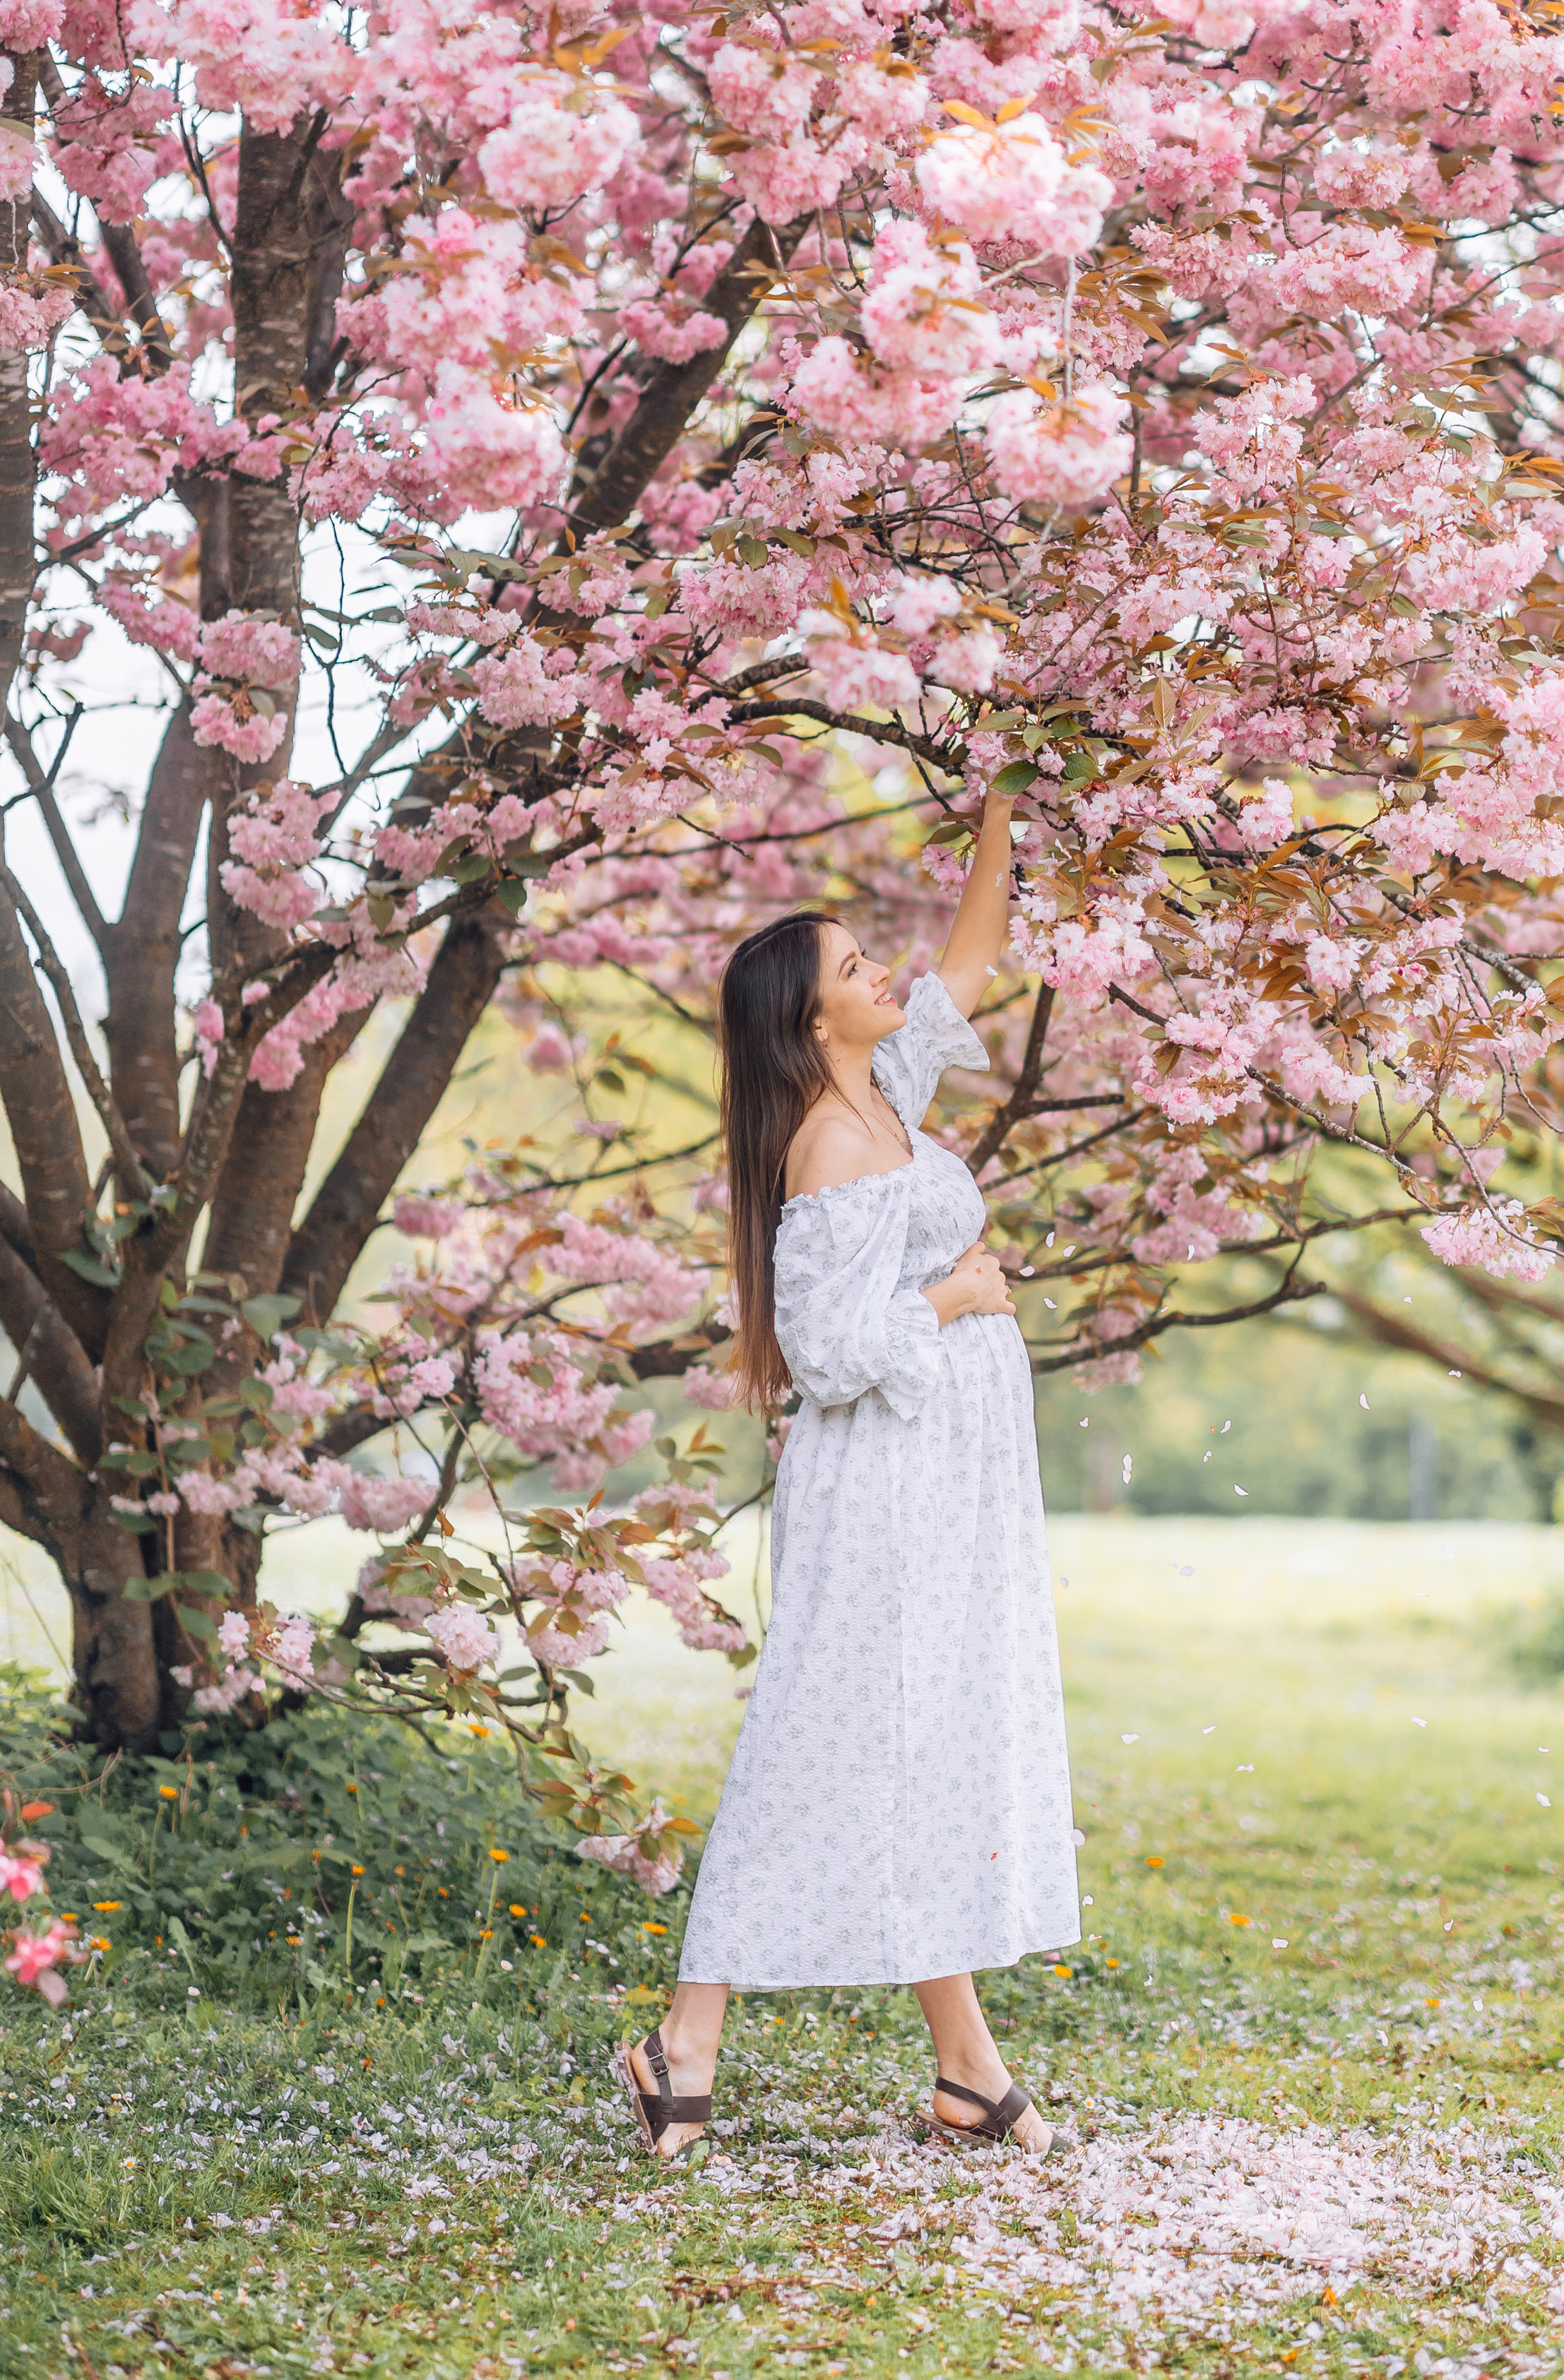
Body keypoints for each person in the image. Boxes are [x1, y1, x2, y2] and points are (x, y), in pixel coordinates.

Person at [617, 782, 1081, 2161]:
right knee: (824, 1739)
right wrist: (953, 1300)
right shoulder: (828, 1146)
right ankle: (683, 2041)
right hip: (876, 1488)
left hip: (938, 1482)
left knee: (916, 1742)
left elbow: (974, 963)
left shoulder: (881, 1098)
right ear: (811, 1022)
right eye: (856, 970)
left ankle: (966, 2073)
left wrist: (1003, 823)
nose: (885, 974)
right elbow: (821, 1357)